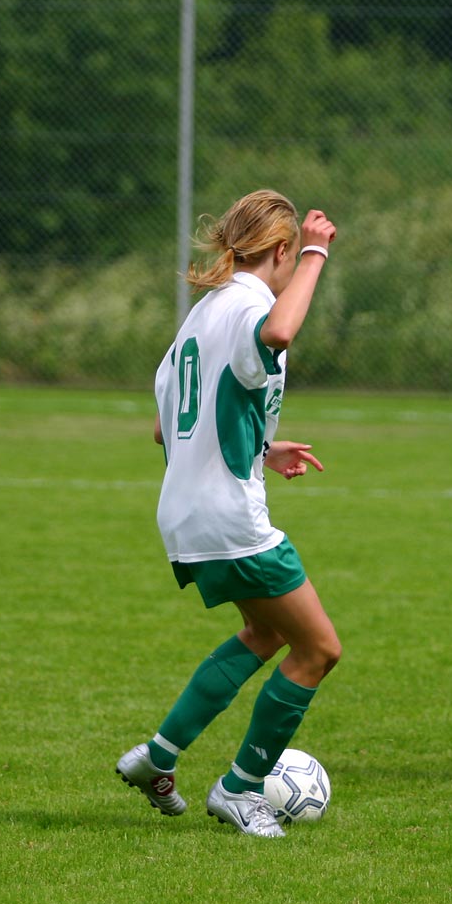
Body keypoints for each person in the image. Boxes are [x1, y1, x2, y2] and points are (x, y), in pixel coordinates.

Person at [116, 189, 341, 837]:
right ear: (280, 251)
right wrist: (319, 256)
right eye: (293, 254)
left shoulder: (199, 316)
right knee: (319, 649)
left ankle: (157, 757)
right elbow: (279, 331)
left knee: (266, 635)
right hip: (229, 519)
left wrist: (262, 448)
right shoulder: (251, 306)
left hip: (183, 516)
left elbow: (167, 428)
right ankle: (240, 789)